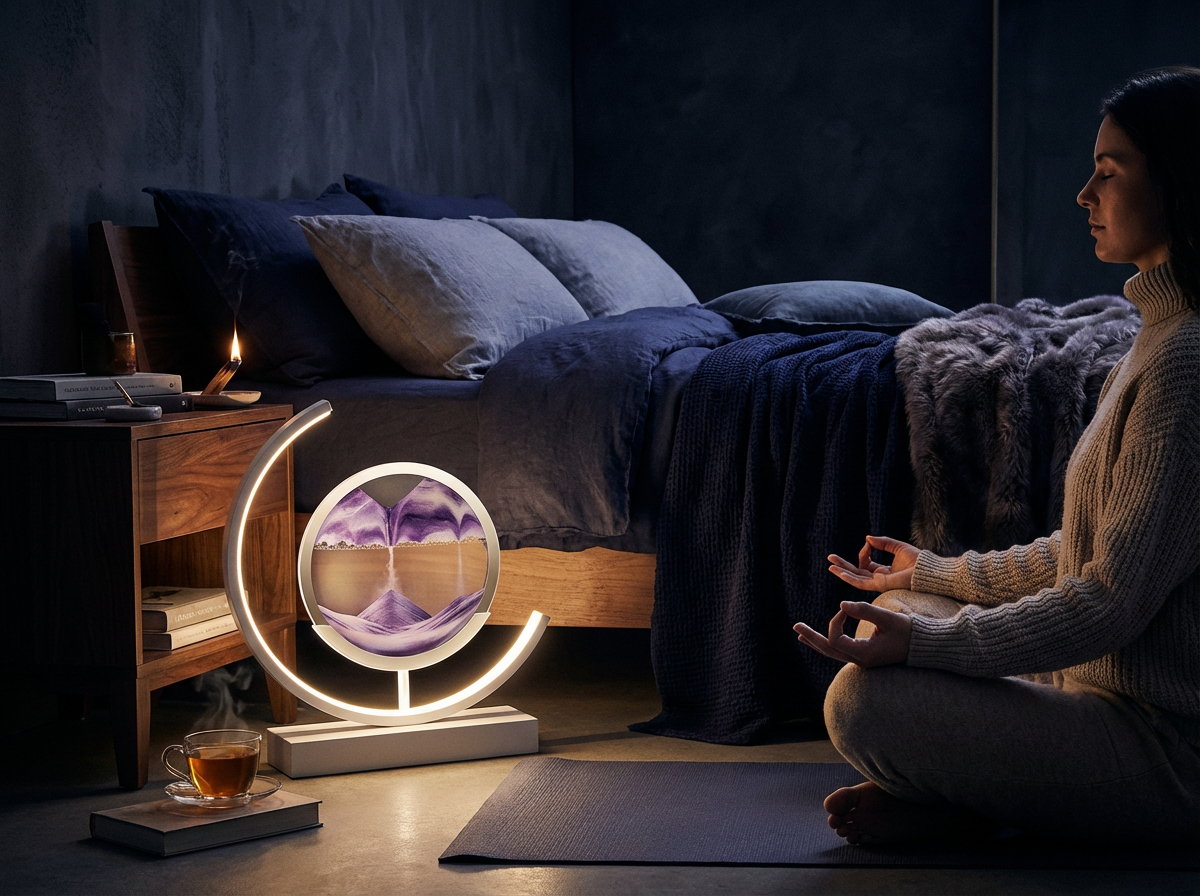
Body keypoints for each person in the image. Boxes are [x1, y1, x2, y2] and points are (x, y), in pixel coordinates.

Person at [794, 66, 1200, 847]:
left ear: (1180, 183)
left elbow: (1107, 601)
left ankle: (977, 802)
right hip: (1098, 690)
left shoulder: (1186, 361)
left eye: (1109, 173)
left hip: (1167, 748)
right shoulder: (1155, 335)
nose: (1084, 193)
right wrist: (932, 576)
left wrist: (932, 646)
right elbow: (1084, 547)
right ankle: (973, 796)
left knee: (863, 702)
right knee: (900, 613)